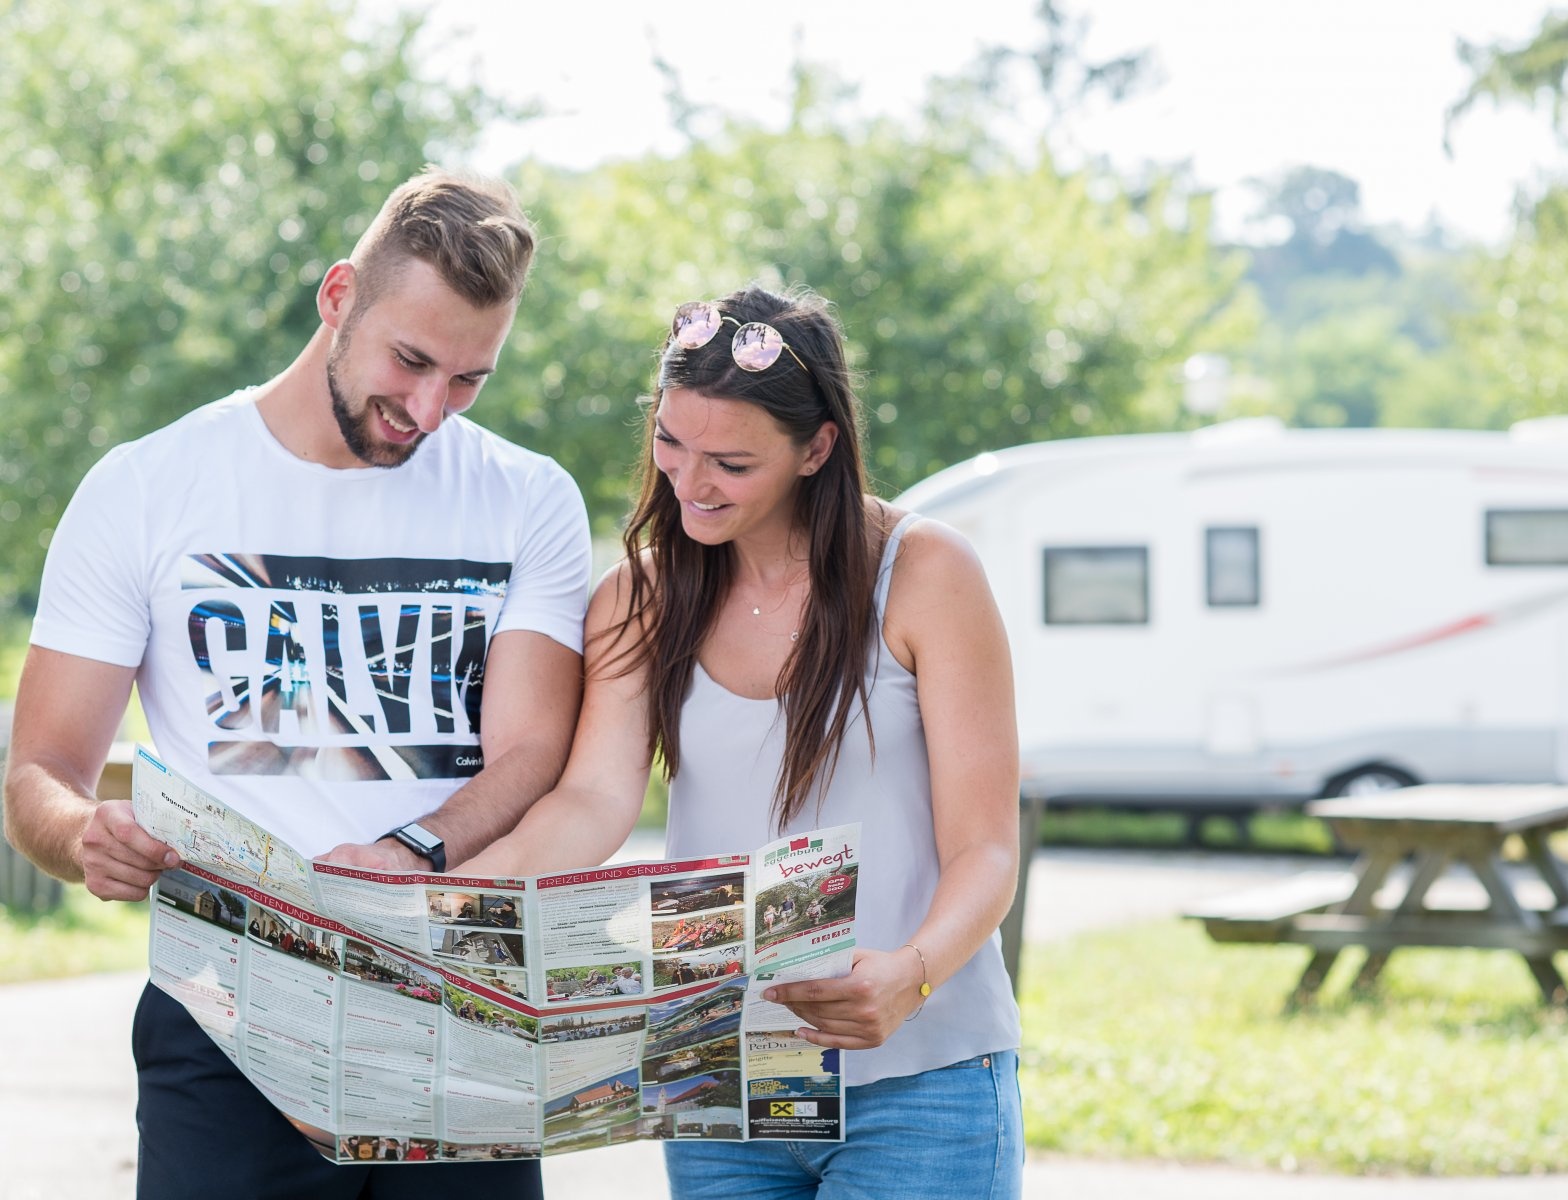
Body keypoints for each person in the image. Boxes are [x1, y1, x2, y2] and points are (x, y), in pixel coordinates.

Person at [0, 167, 591, 1200]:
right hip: (226, 1018)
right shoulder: (146, 488)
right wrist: (81, 834)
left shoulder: (527, 497)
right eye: (410, 361)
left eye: (467, 380)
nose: (428, 408)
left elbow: (534, 755)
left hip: (460, 1004)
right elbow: (41, 771)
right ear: (337, 299)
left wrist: (415, 851)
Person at [459, 284, 1024, 1197]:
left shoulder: (925, 573)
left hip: (921, 1077)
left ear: (818, 449)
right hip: (723, 1073)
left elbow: (989, 847)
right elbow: (595, 799)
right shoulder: (638, 596)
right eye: (670, 444)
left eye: (730, 461)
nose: (688, 482)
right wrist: (459, 904)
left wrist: (911, 977)